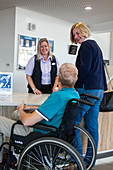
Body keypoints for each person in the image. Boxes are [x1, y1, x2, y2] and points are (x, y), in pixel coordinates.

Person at [0, 63, 79, 163]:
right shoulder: (74, 95)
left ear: (58, 79)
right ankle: (14, 152)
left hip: (40, 134)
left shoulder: (57, 96)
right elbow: (54, 109)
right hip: (57, 132)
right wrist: (32, 108)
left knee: (3, 119)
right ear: (76, 79)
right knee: (15, 114)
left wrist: (21, 110)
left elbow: (27, 121)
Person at [70, 22, 107, 166]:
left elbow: (83, 70)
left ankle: (78, 158)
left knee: (73, 122)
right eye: (74, 35)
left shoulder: (85, 46)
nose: (76, 37)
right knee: (92, 126)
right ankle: (90, 160)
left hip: (87, 91)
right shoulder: (96, 46)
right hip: (98, 91)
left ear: (84, 31)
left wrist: (74, 85)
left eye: (78, 33)